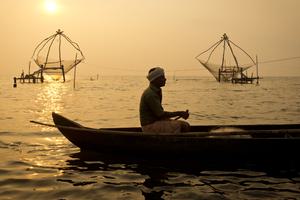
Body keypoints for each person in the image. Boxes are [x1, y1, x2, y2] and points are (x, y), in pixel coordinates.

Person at [139, 67, 190, 133]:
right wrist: (180, 113)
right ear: (155, 79)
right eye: (162, 77)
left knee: (185, 125)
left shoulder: (156, 91)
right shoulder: (150, 94)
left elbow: (159, 115)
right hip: (149, 126)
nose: (165, 79)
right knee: (181, 126)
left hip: (156, 121)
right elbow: (160, 114)